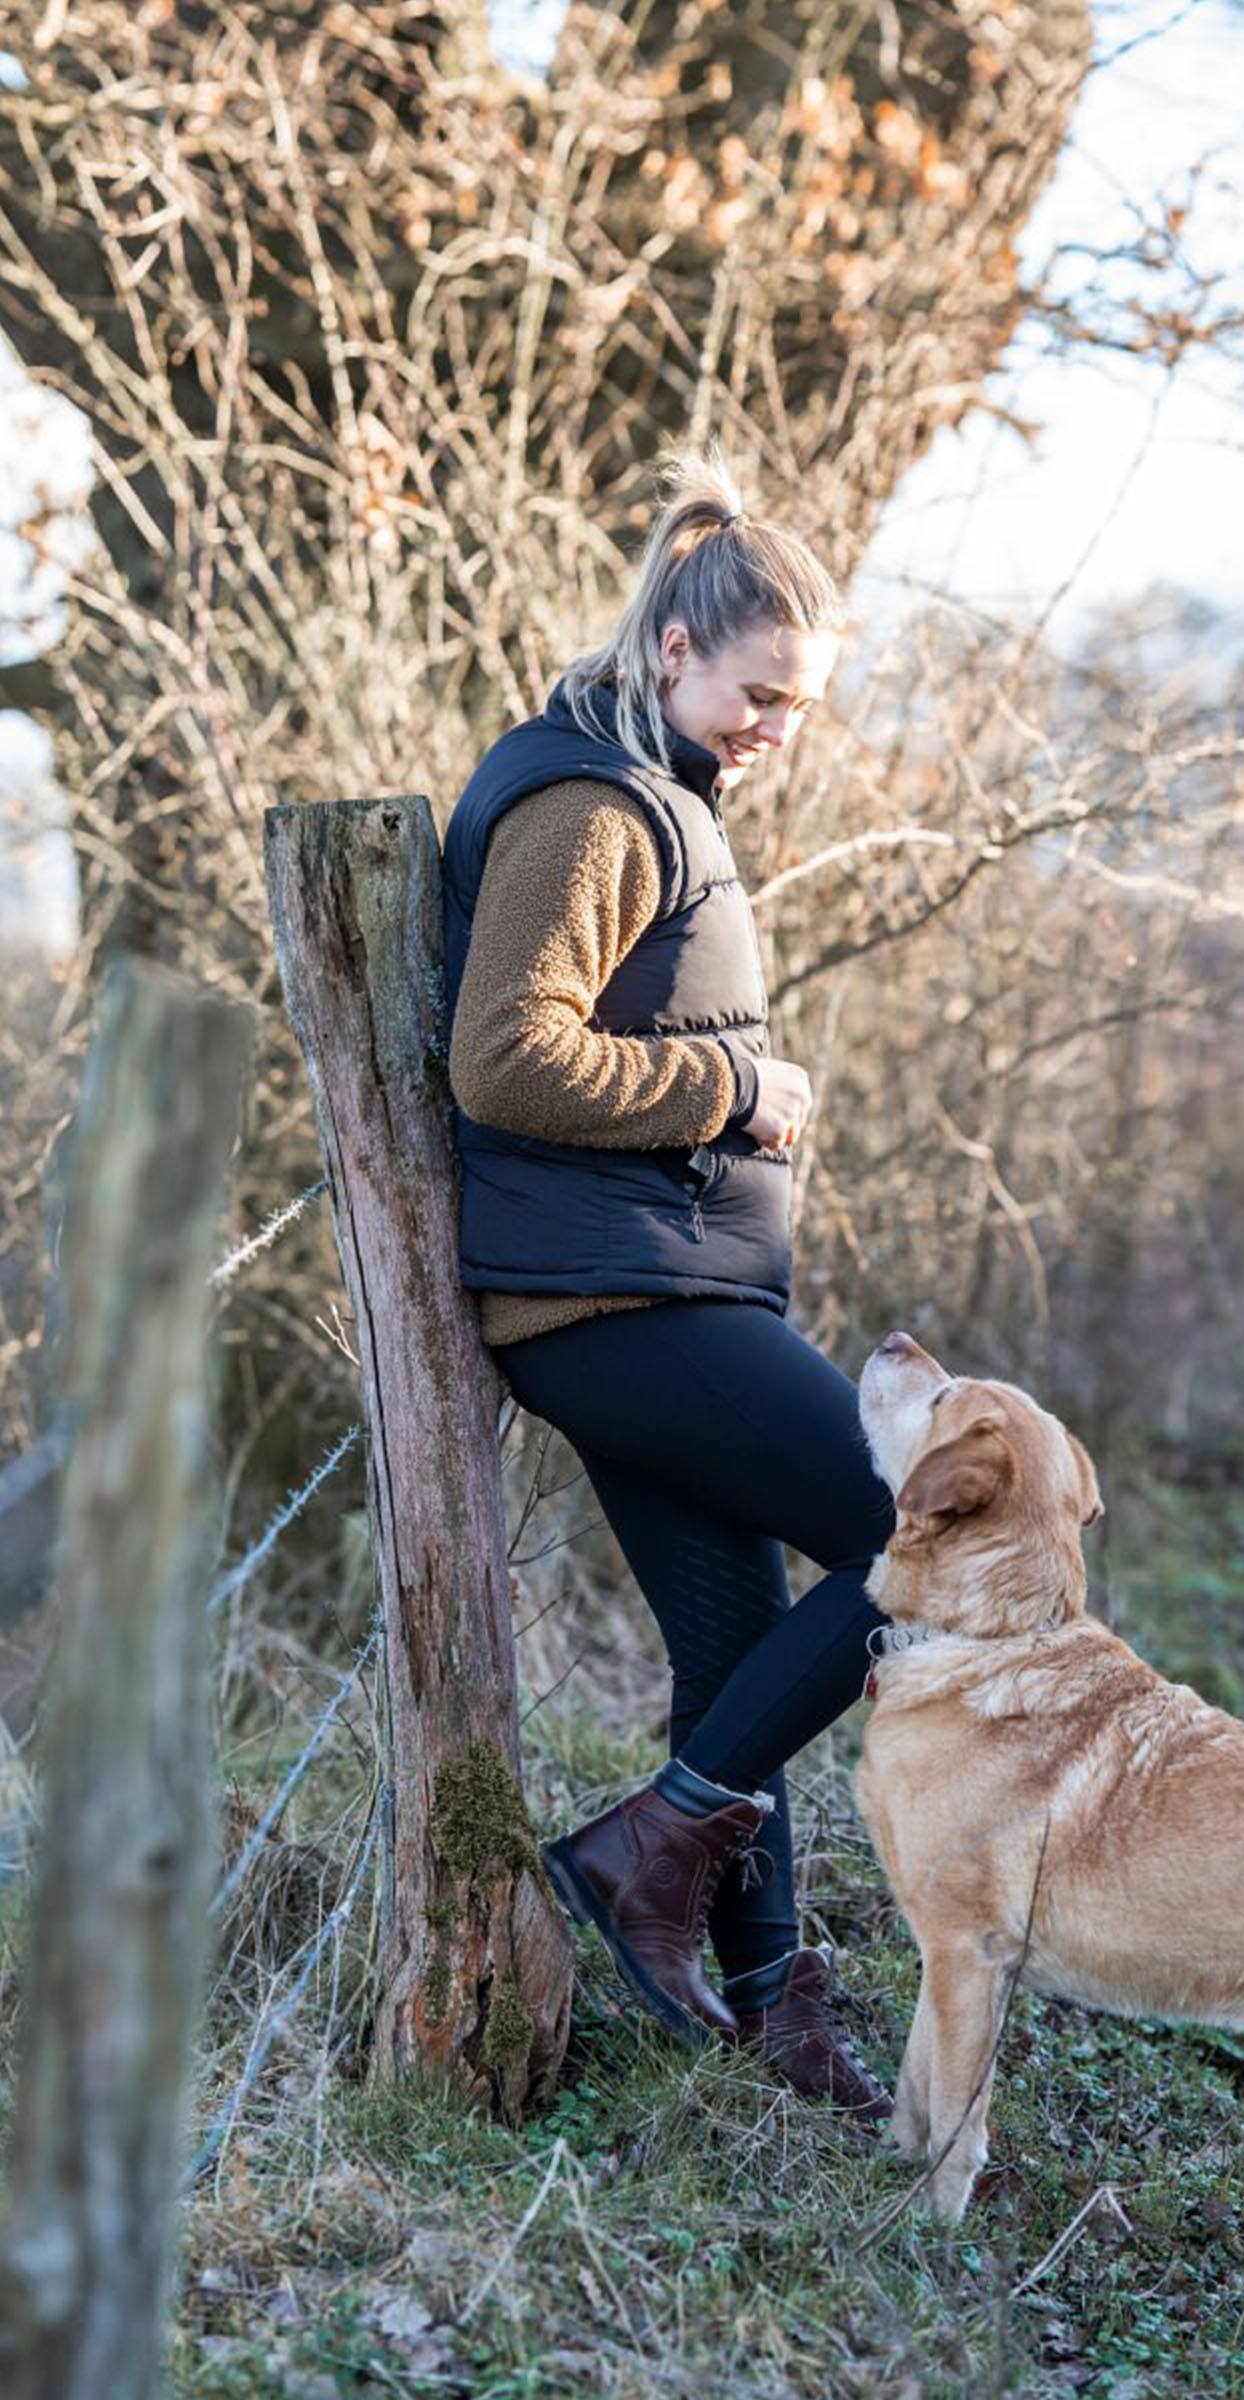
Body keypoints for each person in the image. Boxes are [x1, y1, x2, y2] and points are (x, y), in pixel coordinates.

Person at [442, 451, 896, 2122]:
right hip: (625, 1308)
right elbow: (505, 1059)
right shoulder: (591, 806)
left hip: (645, 1294)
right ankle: (655, 1841)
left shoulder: (659, 791)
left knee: (738, 1642)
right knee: (936, 1539)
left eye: (803, 702)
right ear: (674, 650)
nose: (780, 722)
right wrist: (736, 1091)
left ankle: (775, 2004)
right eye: (762, 689)